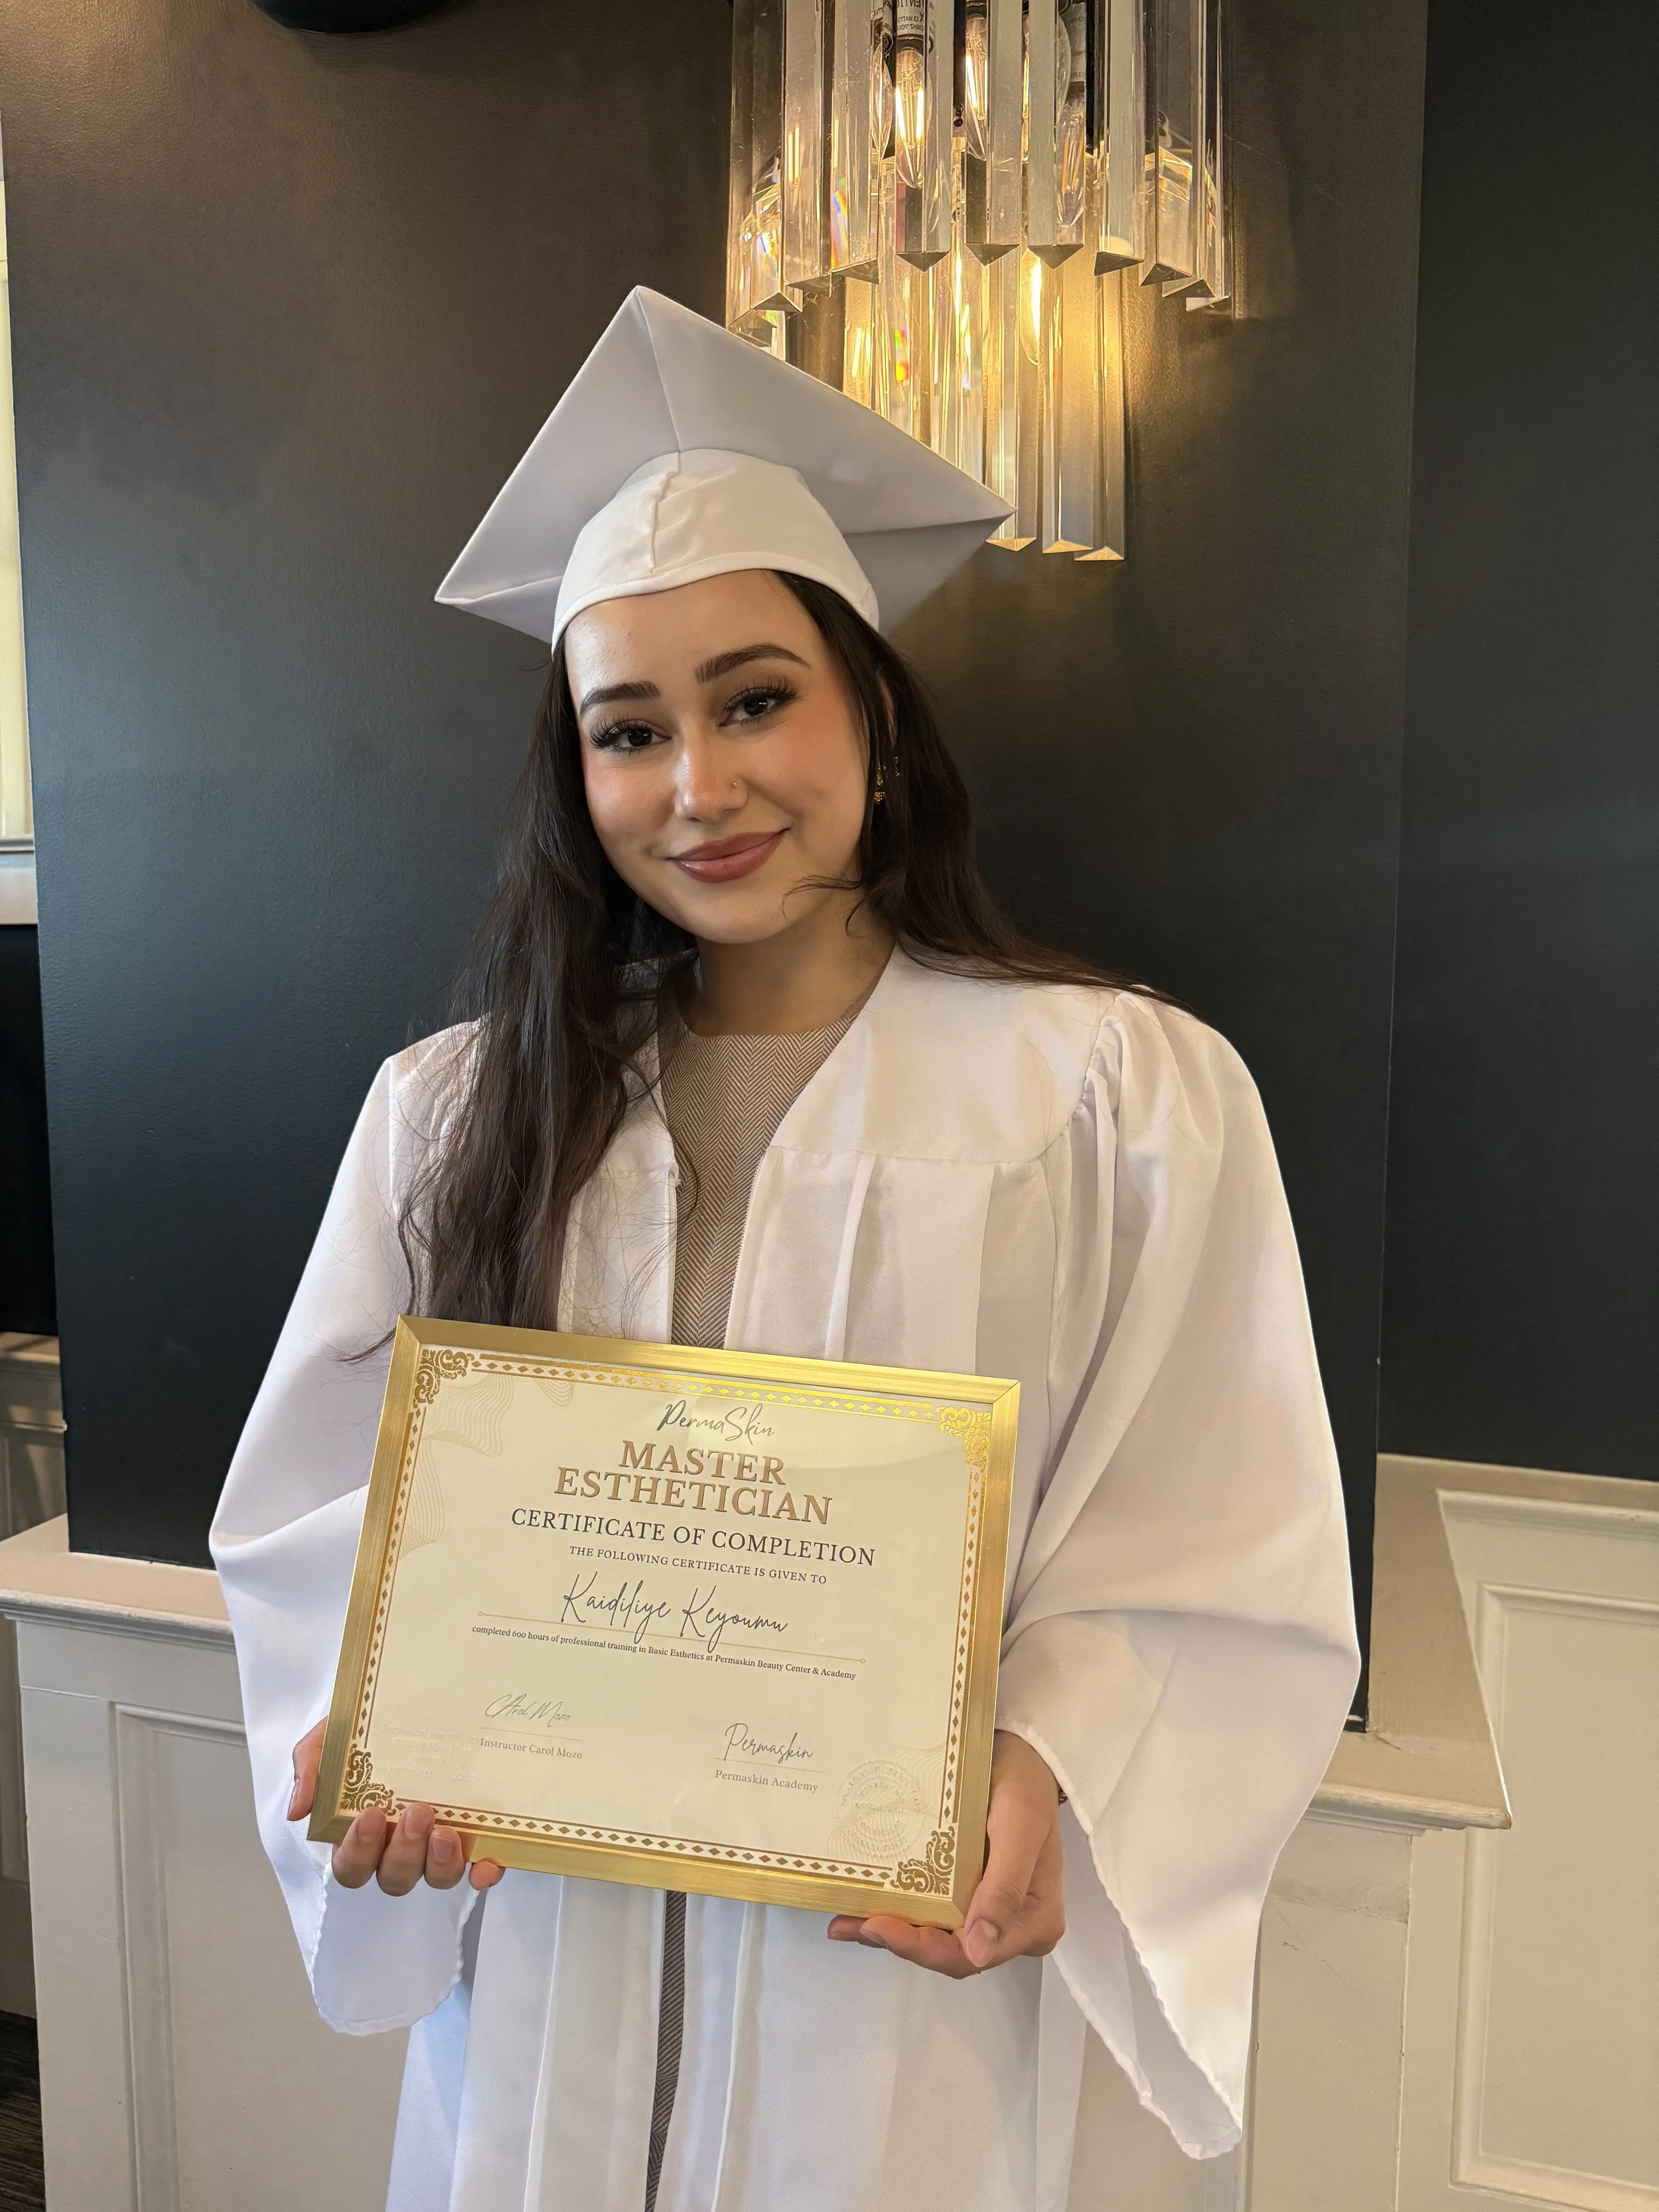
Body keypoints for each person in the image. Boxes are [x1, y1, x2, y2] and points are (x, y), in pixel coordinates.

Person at [212, 289, 1360, 2212]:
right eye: (627, 729)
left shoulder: (1112, 1097)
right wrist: (369, 1730)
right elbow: (320, 1522)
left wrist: (1050, 1764)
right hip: (538, 1974)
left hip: (877, 2004)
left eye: (755, 698)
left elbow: (1201, 1520)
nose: (697, 785)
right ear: (576, 779)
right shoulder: (451, 1110)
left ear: (875, 714)